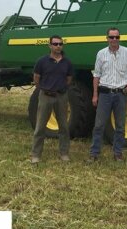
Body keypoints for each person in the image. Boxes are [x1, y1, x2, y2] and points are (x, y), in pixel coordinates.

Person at [89, 27, 127, 162]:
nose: (114, 39)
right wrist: (95, 95)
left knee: (120, 126)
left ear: (120, 38)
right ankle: (94, 154)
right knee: (99, 125)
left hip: (121, 94)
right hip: (105, 94)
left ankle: (118, 153)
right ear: (106, 38)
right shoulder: (101, 54)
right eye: (112, 37)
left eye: (117, 37)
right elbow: (96, 75)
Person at [30, 35, 73, 164]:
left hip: (61, 96)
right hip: (46, 96)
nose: (58, 46)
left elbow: (69, 79)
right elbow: (36, 77)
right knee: (40, 127)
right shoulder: (42, 61)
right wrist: (43, 89)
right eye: (55, 44)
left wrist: (62, 88)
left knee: (64, 127)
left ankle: (64, 153)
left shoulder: (67, 62)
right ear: (50, 46)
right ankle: (36, 155)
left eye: (60, 44)